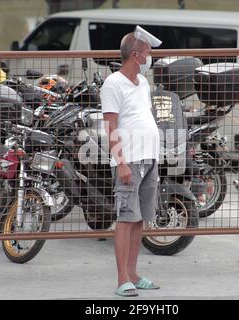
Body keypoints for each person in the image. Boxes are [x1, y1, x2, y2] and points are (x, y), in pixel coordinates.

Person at [100, 26, 162, 297]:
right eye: (148, 52)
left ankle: (134, 274)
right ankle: (122, 278)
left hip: (150, 158)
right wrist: (121, 162)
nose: (151, 57)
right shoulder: (113, 84)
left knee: (139, 219)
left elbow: (144, 116)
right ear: (136, 55)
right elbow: (111, 126)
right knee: (126, 219)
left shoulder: (143, 83)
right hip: (130, 161)